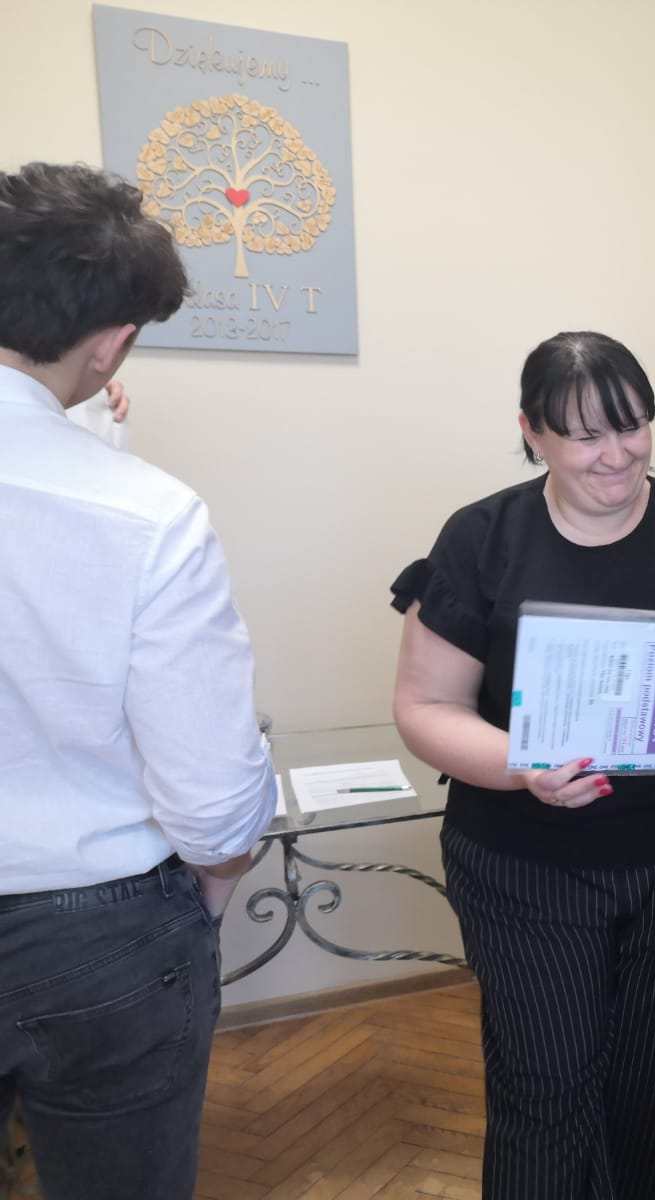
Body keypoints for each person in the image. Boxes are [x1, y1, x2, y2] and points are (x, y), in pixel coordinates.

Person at [390, 330, 655, 1200]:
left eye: (632, 427)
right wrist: (522, 765)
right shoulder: (483, 538)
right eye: (584, 435)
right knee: (544, 1086)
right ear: (531, 432)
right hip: (525, 863)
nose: (616, 455)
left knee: (645, 1085)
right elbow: (424, 708)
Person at [0, 162, 276, 1198]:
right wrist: (204, 894)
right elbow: (214, 802)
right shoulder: (147, 513)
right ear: (112, 341)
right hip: (98, 928)